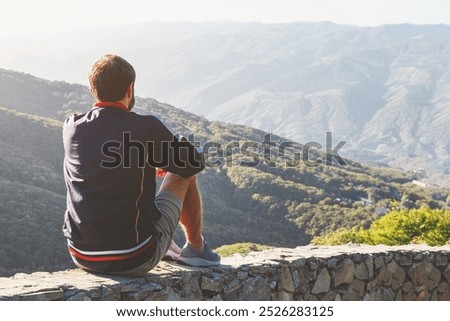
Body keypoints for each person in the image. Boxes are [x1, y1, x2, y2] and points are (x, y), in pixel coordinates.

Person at [62, 54, 220, 276]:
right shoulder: (144, 127)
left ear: (92, 89)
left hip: (81, 254)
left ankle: (164, 244)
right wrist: (164, 160)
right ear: (130, 88)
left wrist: (142, 164)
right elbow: (191, 163)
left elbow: (103, 164)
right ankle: (196, 249)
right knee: (183, 172)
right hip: (134, 257)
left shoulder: (72, 126)